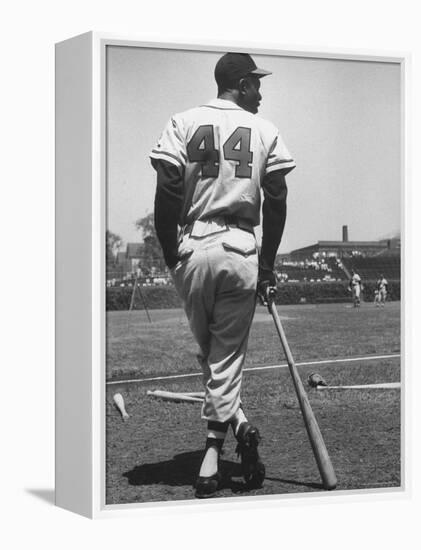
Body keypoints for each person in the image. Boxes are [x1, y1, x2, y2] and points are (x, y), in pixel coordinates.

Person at [150, 52, 296, 498]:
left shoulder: (182, 120)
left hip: (193, 246)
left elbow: (169, 188)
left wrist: (172, 251)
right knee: (223, 358)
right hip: (240, 249)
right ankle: (217, 450)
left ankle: (235, 431)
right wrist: (267, 267)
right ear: (240, 84)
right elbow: (276, 199)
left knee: (212, 356)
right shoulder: (266, 130)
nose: (261, 91)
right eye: (256, 82)